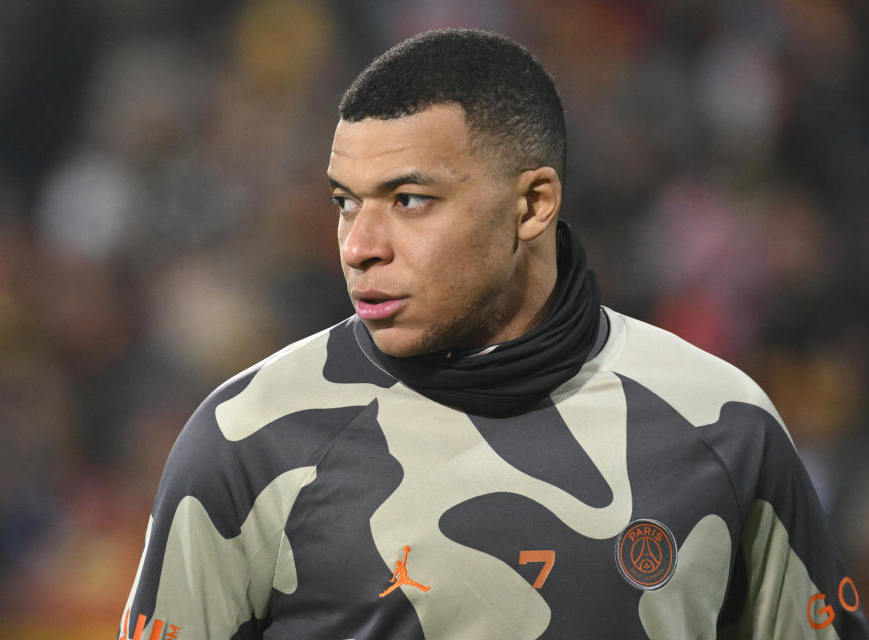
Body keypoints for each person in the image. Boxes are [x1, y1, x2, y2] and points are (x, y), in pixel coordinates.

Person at [118, 28, 868, 639]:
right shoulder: (248, 440)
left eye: (409, 199)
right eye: (347, 202)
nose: (358, 245)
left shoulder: (721, 425)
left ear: (534, 203)